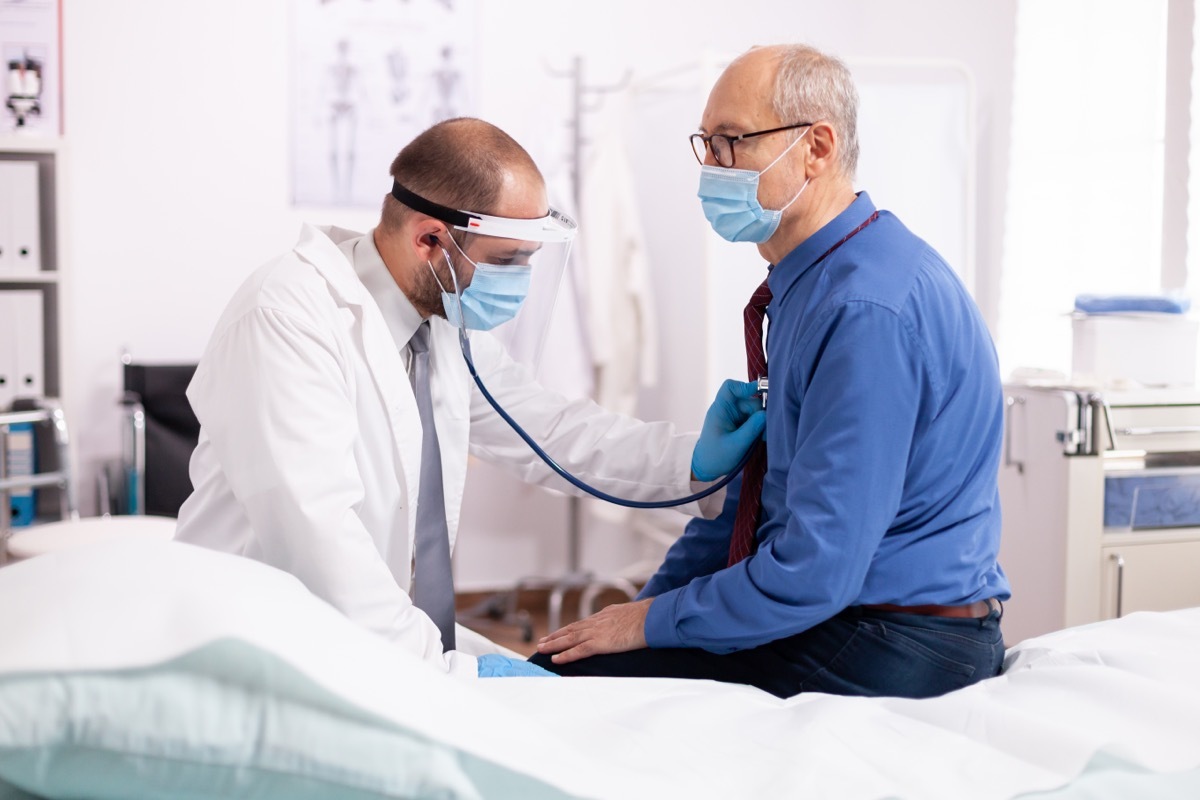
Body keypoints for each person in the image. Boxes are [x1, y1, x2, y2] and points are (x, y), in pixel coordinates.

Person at [174, 117, 764, 680]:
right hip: (263, 645)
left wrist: (689, 463)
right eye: (507, 262)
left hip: (369, 643)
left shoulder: (439, 325)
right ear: (430, 239)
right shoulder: (286, 317)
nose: (520, 283)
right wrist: (442, 674)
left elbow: (550, 430)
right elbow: (318, 537)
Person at [533, 43, 1011, 700]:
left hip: (902, 639)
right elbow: (751, 513)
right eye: (706, 144)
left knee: (566, 692)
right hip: (848, 615)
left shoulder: (864, 308)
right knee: (568, 668)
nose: (712, 168)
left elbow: (816, 570)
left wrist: (650, 622)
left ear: (817, 148)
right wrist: (637, 614)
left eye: (732, 142)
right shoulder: (816, 282)